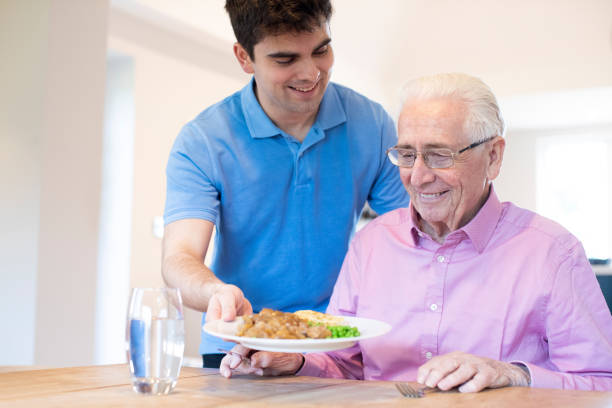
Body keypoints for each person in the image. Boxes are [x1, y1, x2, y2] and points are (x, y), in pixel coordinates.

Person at [219, 73, 612, 391]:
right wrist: (297, 360)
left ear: (493, 156)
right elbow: (344, 360)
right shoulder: (371, 243)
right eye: (406, 154)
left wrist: (514, 374)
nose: (419, 176)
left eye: (440, 155)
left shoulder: (552, 253)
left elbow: (601, 384)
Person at [162, 0, 410, 368]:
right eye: (285, 59)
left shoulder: (372, 124)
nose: (311, 73)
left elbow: (409, 237)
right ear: (244, 57)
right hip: (240, 343)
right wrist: (216, 293)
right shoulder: (204, 140)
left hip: (335, 345)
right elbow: (178, 258)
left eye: (321, 50)